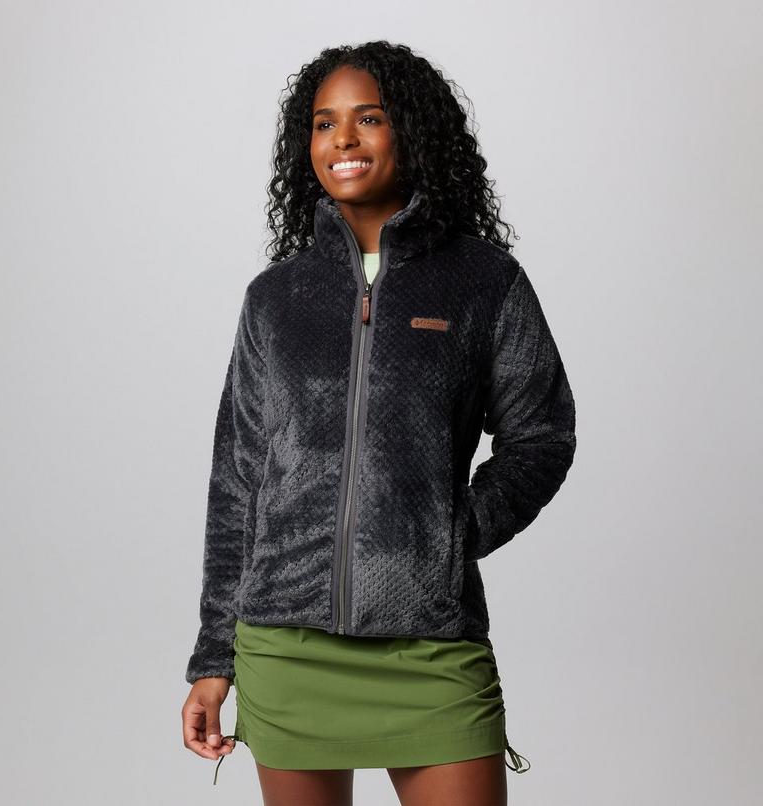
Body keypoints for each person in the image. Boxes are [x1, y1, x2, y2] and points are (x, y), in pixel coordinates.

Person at [181, 40, 576, 806]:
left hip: (429, 641)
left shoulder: (483, 282)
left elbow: (541, 435)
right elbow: (238, 484)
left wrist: (452, 533)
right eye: (324, 123)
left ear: (412, 130)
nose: (343, 140)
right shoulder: (276, 299)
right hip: (285, 643)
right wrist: (213, 659)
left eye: (369, 118)